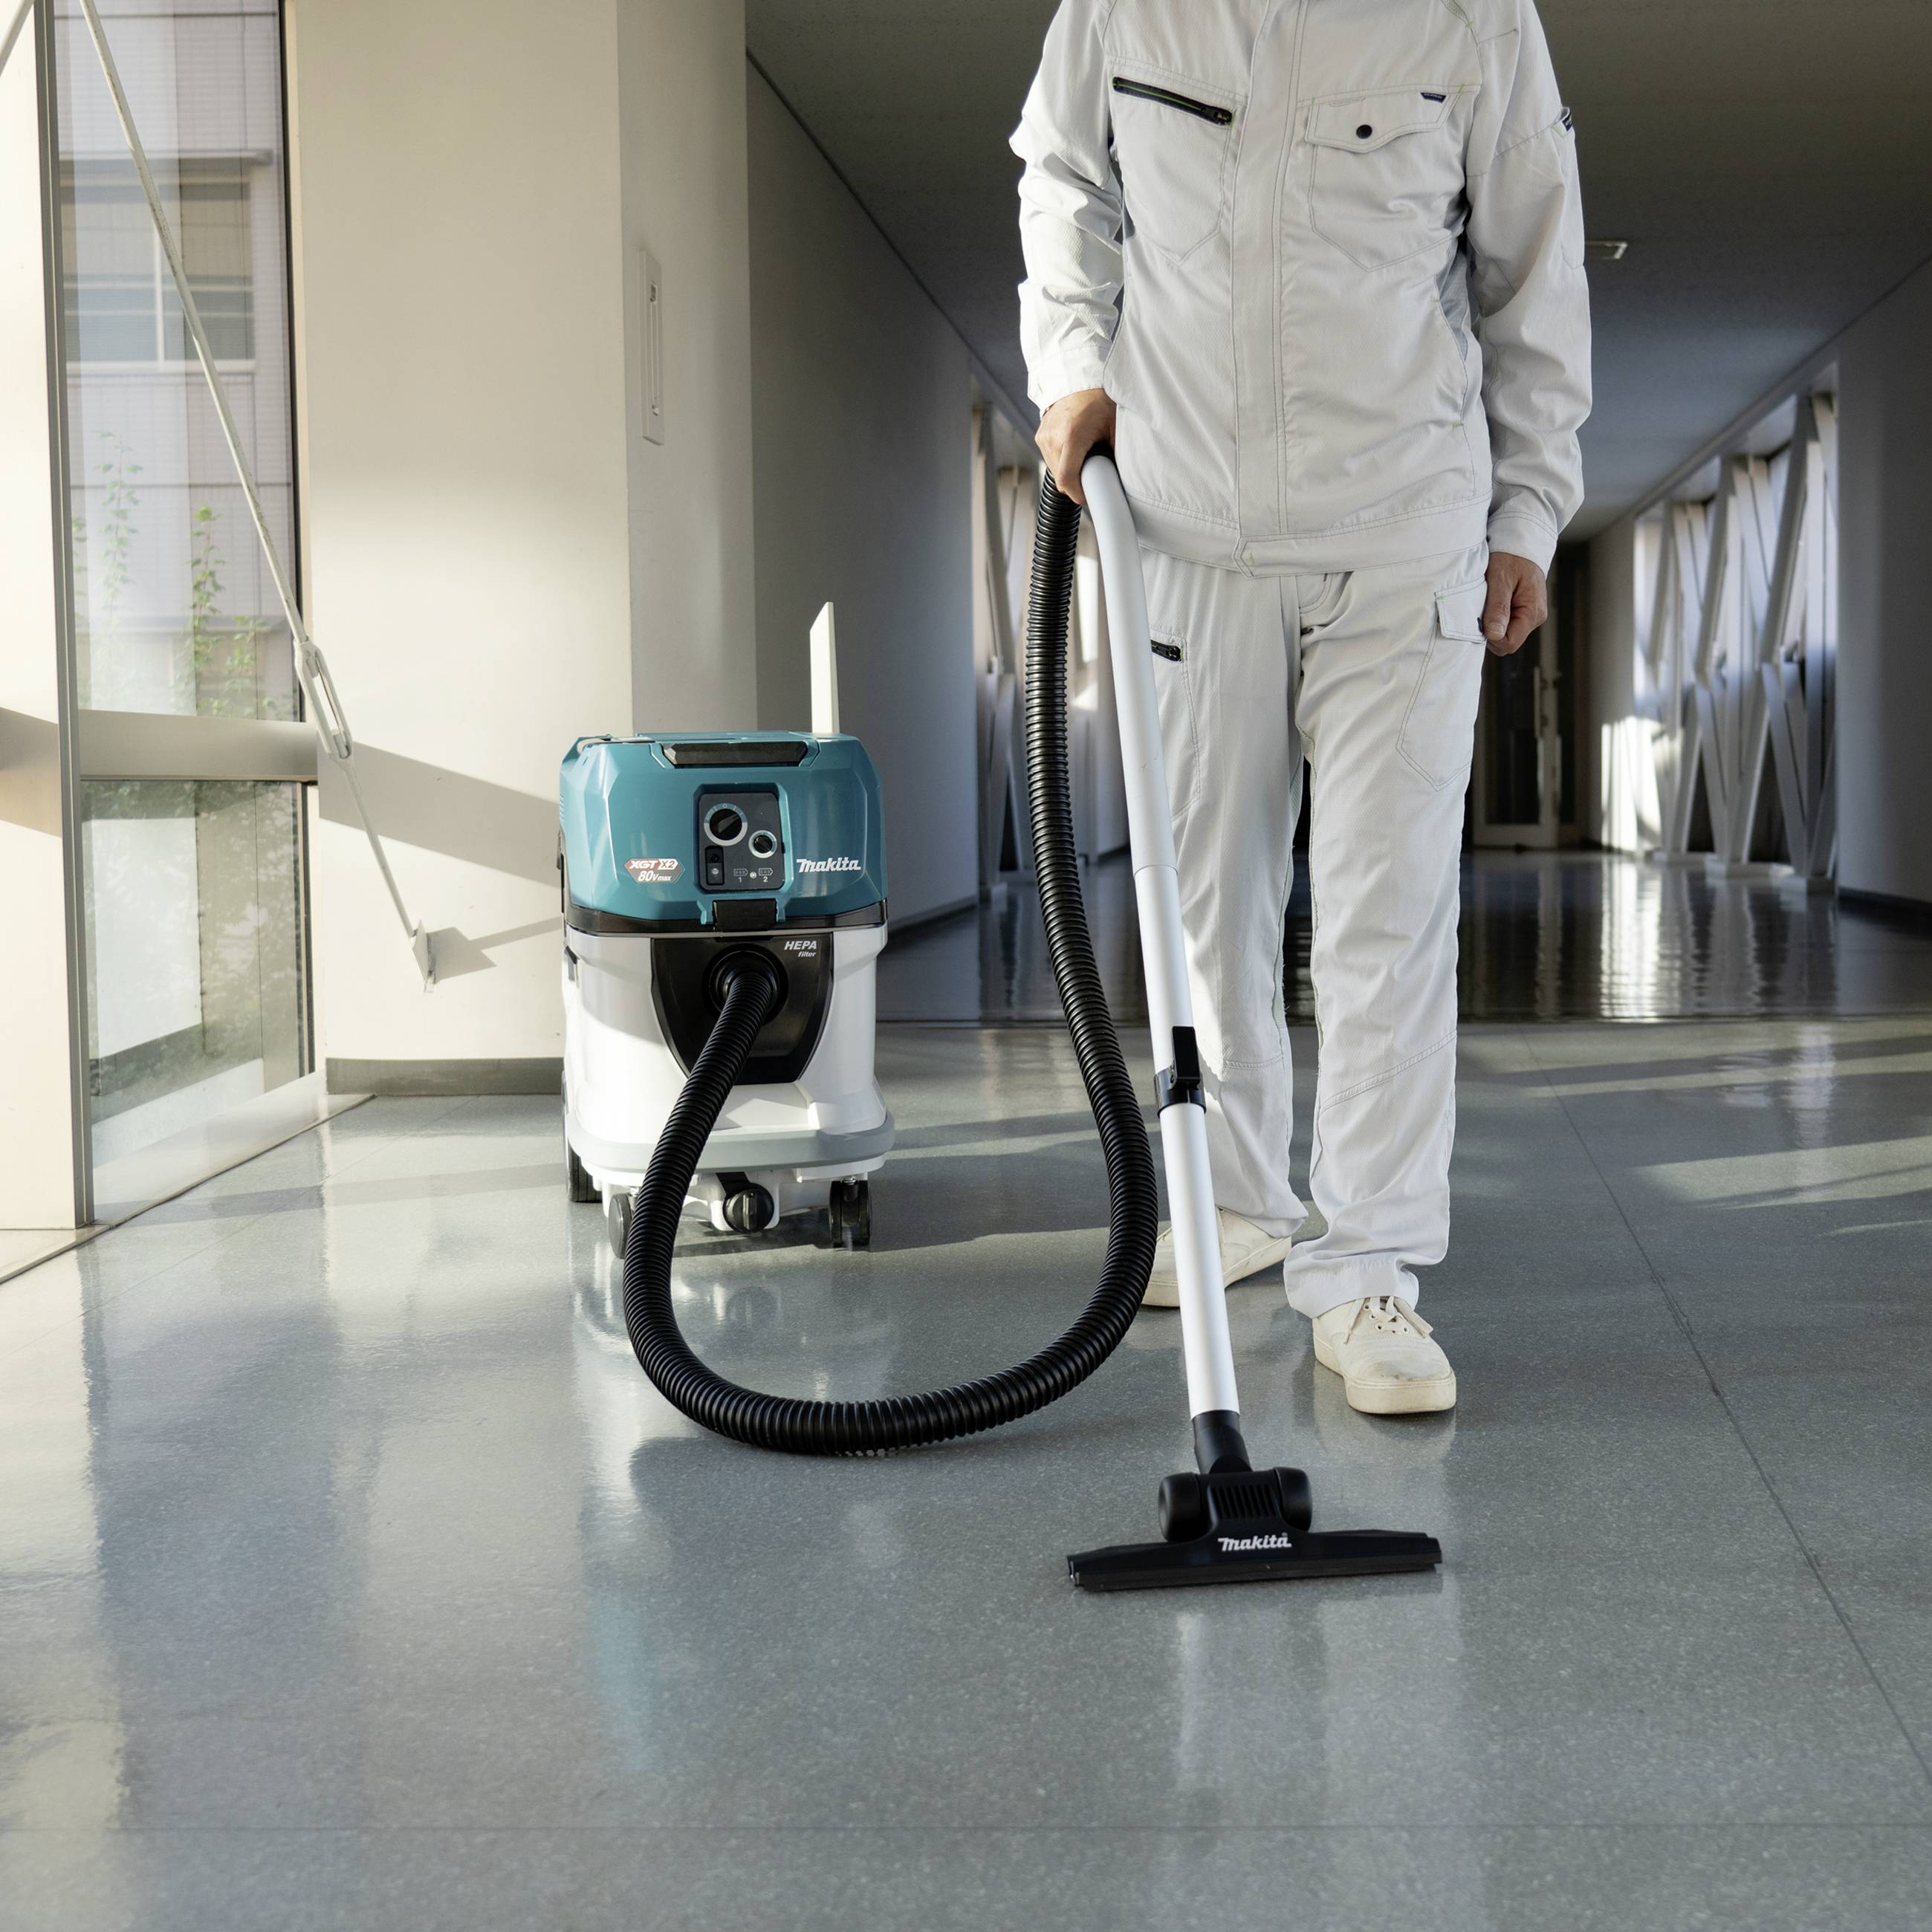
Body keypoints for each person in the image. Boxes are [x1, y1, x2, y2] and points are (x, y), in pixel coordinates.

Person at [1013, 0, 1591, 1415]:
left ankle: (1374, 1269)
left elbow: (1533, 268)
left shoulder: (1471, 19)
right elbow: (1062, 176)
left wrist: (1530, 507)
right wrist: (1076, 372)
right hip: (1187, 527)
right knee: (1205, 894)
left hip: (1405, 532)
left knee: (1386, 915)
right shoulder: (1124, 9)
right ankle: (1234, 1206)